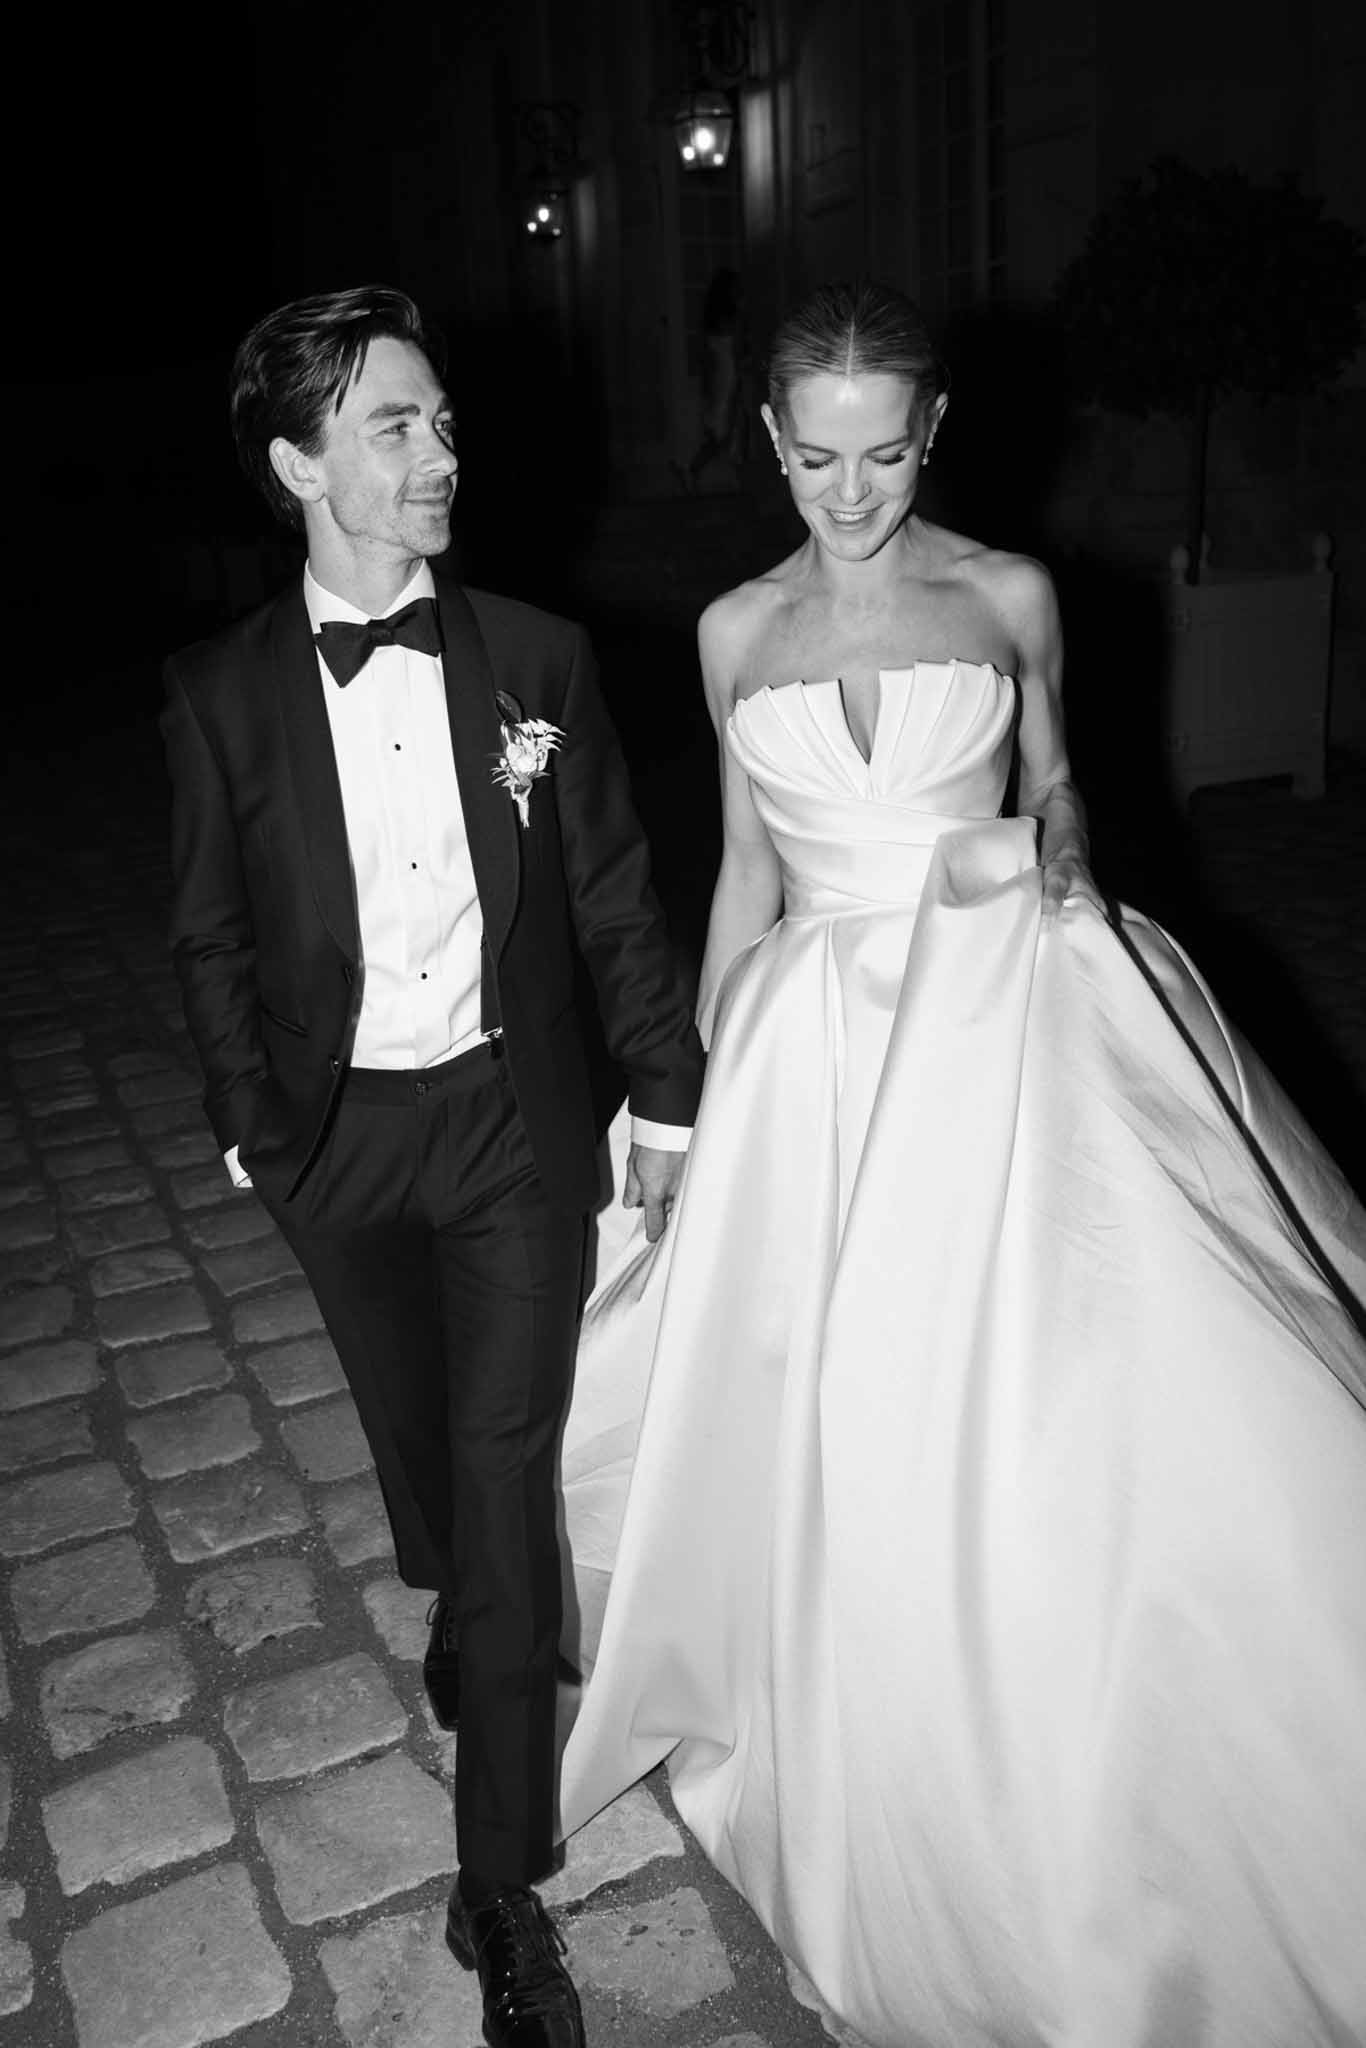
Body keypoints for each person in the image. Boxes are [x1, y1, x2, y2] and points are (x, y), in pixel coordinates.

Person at [555, 279, 1366, 2047]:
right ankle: (866, 1692)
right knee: (821, 1384)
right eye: (815, 456)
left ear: (931, 438)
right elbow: (749, 873)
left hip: (1005, 1002)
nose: (849, 492)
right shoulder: (728, 631)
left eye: (884, 454)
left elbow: (1061, 782)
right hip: (817, 1045)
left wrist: (1060, 850)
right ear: (768, 439)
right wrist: (687, 1106)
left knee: (1056, 1373)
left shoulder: (1007, 593)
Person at [162, 284, 703, 2048]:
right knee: (420, 1465)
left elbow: (615, 889)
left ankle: (499, 1890)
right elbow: (211, 936)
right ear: (299, 460)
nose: (440, 453)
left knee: (500, 1464)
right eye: (397, 426)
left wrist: (666, 1098)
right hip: (336, 1140)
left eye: (443, 419)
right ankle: (472, 1604)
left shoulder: (536, 660)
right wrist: (264, 1135)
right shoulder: (220, 696)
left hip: (501, 1122)